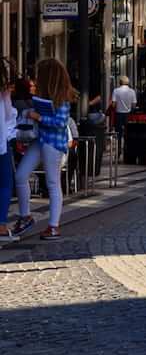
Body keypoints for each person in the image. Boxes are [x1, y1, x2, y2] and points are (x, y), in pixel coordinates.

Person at [13, 58, 77, 241]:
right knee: (21, 175)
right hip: (40, 140)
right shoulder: (44, 97)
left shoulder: (63, 99)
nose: (34, 80)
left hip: (53, 144)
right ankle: (25, 216)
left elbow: (60, 123)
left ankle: (53, 226)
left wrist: (38, 117)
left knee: (52, 183)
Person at [0, 58, 17, 243]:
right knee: (4, 183)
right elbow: (7, 114)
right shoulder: (3, 91)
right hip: (0, 144)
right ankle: (2, 226)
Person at [110, 76, 137, 149]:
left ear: (120, 82)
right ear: (128, 83)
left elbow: (113, 104)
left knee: (118, 133)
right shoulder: (132, 91)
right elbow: (134, 105)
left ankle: (118, 149)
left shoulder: (116, 91)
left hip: (118, 114)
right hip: (128, 114)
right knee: (128, 132)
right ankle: (127, 147)